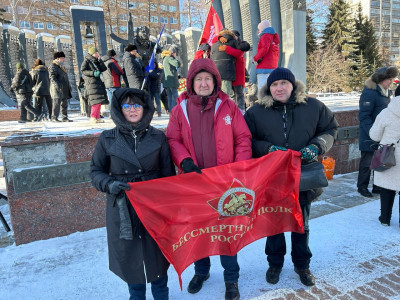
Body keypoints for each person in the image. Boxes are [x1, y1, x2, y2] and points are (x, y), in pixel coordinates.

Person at [166, 58, 252, 300]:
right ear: (191, 82)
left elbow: (243, 139)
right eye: (199, 79)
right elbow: (173, 140)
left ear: (216, 81)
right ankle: (201, 271)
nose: (204, 83)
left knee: (226, 232)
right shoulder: (179, 109)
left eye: (208, 78)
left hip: (224, 183)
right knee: (198, 231)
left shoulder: (228, 107)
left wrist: (237, 168)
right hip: (193, 182)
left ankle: (231, 279)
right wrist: (184, 161)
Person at [244, 67, 338, 287]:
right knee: (274, 224)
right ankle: (274, 263)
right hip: (271, 178)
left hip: (303, 178)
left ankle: (302, 264)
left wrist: (317, 146)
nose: (279, 88)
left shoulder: (313, 107)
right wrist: (267, 148)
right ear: (268, 89)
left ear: (293, 85)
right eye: (274, 85)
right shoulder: (256, 112)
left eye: (284, 83)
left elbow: (330, 129)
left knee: (301, 224)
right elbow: (246, 139)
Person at [90, 87, 175, 300]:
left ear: (145, 108)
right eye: (127, 105)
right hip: (123, 207)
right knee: (131, 258)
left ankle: (161, 295)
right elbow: (95, 172)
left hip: (153, 206)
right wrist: (110, 184)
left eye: (137, 105)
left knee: (157, 257)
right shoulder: (107, 138)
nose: (133, 110)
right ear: (120, 109)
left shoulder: (158, 137)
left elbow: (168, 176)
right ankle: (136, 296)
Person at [357, 66, 398, 197]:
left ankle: (377, 186)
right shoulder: (370, 92)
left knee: (379, 160)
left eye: (392, 79)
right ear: (381, 79)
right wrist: (372, 132)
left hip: (380, 133)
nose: (391, 82)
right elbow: (364, 116)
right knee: (367, 161)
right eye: (389, 79)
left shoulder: (386, 92)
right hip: (369, 133)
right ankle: (362, 187)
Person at [369, 96, 400, 226]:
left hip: (388, 155)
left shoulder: (386, 113)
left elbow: (374, 135)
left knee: (387, 187)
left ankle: (385, 218)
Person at [220, 30, 250, 113]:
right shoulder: (228, 43)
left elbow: (239, 53)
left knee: (239, 93)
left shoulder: (240, 45)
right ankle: (233, 111)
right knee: (233, 94)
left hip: (238, 74)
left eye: (235, 36)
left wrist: (227, 49)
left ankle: (241, 111)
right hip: (231, 73)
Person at [81, 45, 108, 124]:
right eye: (96, 53)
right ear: (92, 53)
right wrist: (93, 73)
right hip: (92, 83)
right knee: (95, 102)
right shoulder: (86, 61)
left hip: (98, 83)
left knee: (99, 101)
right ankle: (93, 117)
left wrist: (100, 61)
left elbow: (104, 69)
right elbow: (83, 70)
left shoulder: (96, 61)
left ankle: (97, 117)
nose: (97, 54)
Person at [253, 19, 280, 91]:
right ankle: (270, 102)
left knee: (262, 88)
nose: (259, 31)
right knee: (271, 88)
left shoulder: (265, 36)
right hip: (272, 66)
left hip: (264, 66)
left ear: (262, 29)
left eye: (259, 29)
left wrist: (255, 58)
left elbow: (264, 49)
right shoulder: (273, 38)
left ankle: (263, 102)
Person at [210, 28, 238, 95]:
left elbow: (211, 58)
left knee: (217, 95)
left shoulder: (214, 45)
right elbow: (238, 55)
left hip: (216, 73)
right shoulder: (233, 42)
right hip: (227, 72)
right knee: (225, 95)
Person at [49, 51, 72, 122]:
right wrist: (58, 85)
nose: (64, 60)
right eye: (62, 58)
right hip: (57, 88)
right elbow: (52, 77)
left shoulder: (61, 66)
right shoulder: (53, 66)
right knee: (56, 103)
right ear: (58, 58)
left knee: (64, 103)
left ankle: (64, 117)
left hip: (64, 88)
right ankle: (54, 117)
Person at [161, 45, 181, 112]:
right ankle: (174, 110)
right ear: (173, 53)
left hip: (167, 82)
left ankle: (170, 110)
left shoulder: (165, 58)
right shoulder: (169, 58)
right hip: (171, 81)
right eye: (175, 53)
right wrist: (175, 58)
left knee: (169, 97)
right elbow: (177, 64)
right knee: (175, 96)